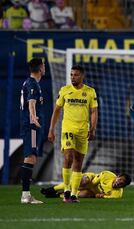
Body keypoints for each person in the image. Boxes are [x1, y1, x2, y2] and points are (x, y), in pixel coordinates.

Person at [48, 65, 98, 203]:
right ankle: (67, 191)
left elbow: (94, 111)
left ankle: (75, 194)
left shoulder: (90, 92)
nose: (72, 77)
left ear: (82, 76)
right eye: (71, 74)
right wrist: (51, 129)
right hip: (68, 128)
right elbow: (57, 110)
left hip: (83, 130)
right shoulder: (64, 90)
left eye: (76, 75)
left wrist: (93, 128)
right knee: (68, 156)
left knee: (78, 162)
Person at [19, 58, 46, 204]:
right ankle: (25, 195)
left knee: (32, 157)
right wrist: (33, 117)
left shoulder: (31, 83)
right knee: (30, 157)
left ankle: (26, 194)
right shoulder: (32, 83)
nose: (44, 68)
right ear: (40, 68)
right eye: (44, 65)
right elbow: (31, 102)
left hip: (30, 125)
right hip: (31, 126)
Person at [41, 171, 132, 199]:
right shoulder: (107, 175)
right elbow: (92, 182)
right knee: (83, 182)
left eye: (122, 183)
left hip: (92, 191)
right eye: (120, 180)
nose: (119, 183)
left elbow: (107, 197)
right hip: (91, 179)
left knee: (85, 195)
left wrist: (101, 195)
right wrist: (82, 184)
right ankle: (52, 189)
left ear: (123, 186)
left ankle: (59, 195)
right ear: (118, 176)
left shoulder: (118, 194)